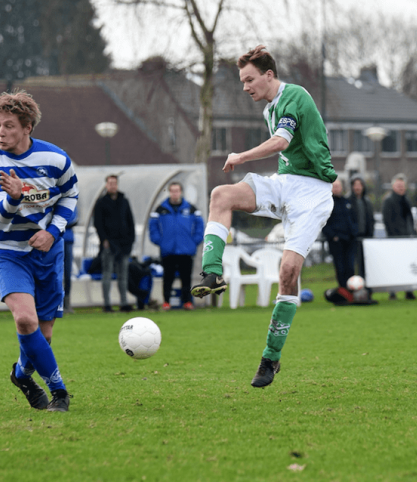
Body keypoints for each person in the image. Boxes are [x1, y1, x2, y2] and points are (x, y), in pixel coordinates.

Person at [190, 45, 337, 388]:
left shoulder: (294, 96)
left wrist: (240, 156)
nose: (245, 87)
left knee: (288, 273)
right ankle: (212, 274)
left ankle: (270, 358)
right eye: (242, 81)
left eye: (249, 79)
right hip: (286, 182)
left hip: (313, 193)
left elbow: (281, 143)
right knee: (221, 195)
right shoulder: (270, 107)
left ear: (269, 75)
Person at [0, 90, 78, 413]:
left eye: (8, 126)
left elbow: (70, 197)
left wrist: (52, 232)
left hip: (47, 252)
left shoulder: (56, 159)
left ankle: (21, 375)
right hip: (6, 250)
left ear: (27, 127)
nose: (1, 133)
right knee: (24, 319)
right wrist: (14, 198)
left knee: (42, 336)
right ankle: (59, 391)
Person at [148, 182, 204, 310]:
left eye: (177, 191)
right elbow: (153, 226)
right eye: (172, 191)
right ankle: (166, 302)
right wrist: (160, 241)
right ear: (169, 192)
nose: (175, 193)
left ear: (181, 192)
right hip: (168, 250)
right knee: (168, 277)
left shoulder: (190, 209)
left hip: (186, 250)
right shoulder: (161, 209)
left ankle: (187, 302)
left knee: (186, 278)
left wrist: (194, 241)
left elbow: (200, 226)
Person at [93, 175, 135, 313]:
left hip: (124, 244)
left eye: (114, 183)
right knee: (107, 273)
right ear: (106, 185)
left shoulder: (124, 201)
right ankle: (107, 304)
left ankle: (124, 302)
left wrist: (131, 240)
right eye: (110, 183)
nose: (112, 186)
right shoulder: (101, 203)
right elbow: (98, 224)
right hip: (109, 244)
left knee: (123, 275)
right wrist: (104, 240)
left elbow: (130, 222)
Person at [381, 173, 416, 300]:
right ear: (393, 186)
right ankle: (392, 292)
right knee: (394, 266)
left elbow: (410, 220)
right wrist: (393, 238)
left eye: (402, 185)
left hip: (407, 238)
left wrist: (412, 233)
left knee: (408, 266)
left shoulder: (406, 200)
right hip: (395, 239)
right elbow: (387, 221)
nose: (401, 188)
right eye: (398, 185)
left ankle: (409, 291)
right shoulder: (388, 201)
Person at [322, 179, 358, 289]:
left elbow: (354, 219)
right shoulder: (327, 204)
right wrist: (333, 236)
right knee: (340, 268)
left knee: (350, 267)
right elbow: (323, 223)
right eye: (334, 186)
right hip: (336, 242)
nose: (336, 188)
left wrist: (354, 232)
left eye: (338, 186)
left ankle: (351, 290)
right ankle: (343, 290)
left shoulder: (347, 202)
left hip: (349, 240)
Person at [347, 177, 374, 278]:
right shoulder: (348, 201)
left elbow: (370, 219)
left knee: (365, 264)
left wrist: (370, 233)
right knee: (352, 264)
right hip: (352, 238)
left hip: (366, 237)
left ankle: (366, 287)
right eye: (355, 185)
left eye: (360, 185)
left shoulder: (367, 201)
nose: (358, 187)